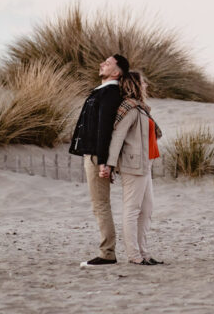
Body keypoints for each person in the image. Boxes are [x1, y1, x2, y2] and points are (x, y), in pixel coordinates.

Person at [69, 53, 129, 268]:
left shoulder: (110, 93)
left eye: (108, 63)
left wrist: (104, 161)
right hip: (93, 154)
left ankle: (107, 253)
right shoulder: (102, 91)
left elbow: (104, 130)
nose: (102, 64)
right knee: (99, 204)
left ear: (117, 72)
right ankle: (107, 251)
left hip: (97, 156)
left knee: (100, 204)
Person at [99, 69, 163, 266]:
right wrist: (109, 165)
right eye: (143, 82)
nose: (146, 85)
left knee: (147, 209)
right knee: (132, 209)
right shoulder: (129, 108)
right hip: (133, 165)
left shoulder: (141, 108)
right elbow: (117, 138)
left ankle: (144, 253)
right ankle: (134, 255)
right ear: (135, 85)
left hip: (145, 163)